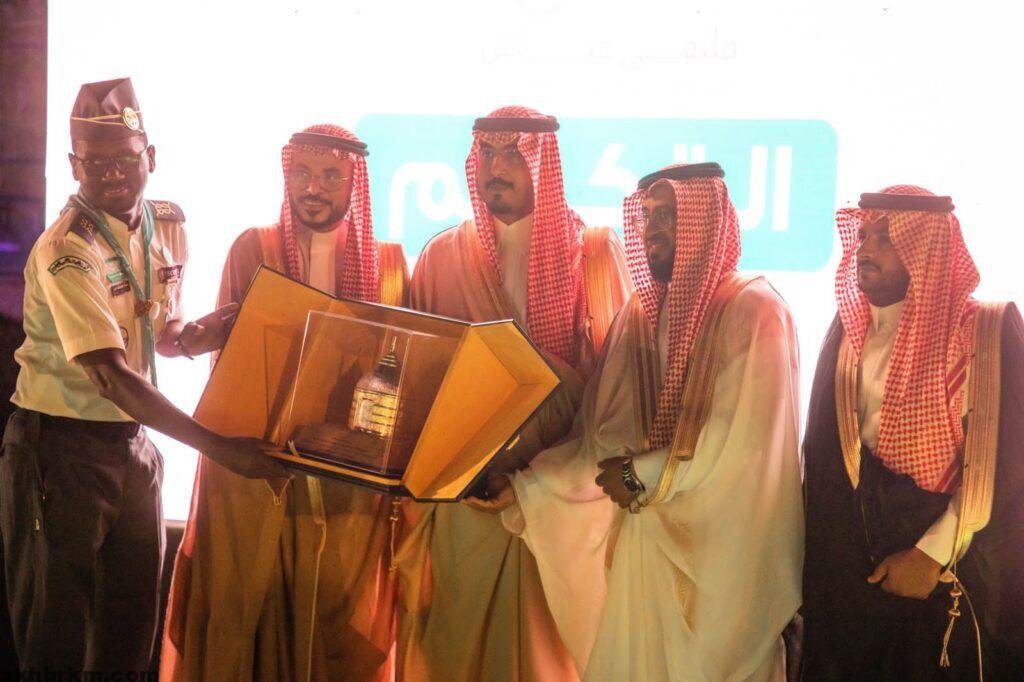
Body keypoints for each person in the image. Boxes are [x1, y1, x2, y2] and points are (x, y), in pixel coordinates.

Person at [0, 77, 281, 675]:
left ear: (150, 156)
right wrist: (220, 448)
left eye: (126, 159)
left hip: (133, 446)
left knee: (130, 635)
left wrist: (201, 334)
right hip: (61, 451)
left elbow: (160, 332)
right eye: (95, 162)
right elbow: (111, 377)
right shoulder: (67, 249)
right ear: (74, 165)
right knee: (57, 641)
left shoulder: (166, 223)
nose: (112, 173)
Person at [501, 163, 804, 679]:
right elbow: (600, 435)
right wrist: (525, 489)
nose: (652, 229)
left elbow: (744, 441)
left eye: (670, 214)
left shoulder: (755, 310)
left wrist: (640, 473)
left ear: (707, 220)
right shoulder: (639, 316)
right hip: (643, 553)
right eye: (647, 216)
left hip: (720, 560)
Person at [161, 125, 409, 681]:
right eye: (302, 173)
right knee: (244, 607)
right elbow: (232, 363)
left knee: (335, 618)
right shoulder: (255, 247)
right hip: (255, 463)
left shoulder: (390, 264)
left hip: (344, 477)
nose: (312, 188)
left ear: (355, 184)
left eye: (330, 176)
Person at [395, 106, 632, 680]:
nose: (495, 168)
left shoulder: (594, 254)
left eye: (513, 155)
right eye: (486, 153)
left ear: (543, 164)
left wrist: (540, 480)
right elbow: (417, 386)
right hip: (464, 500)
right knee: (457, 653)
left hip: (555, 504)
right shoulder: (442, 257)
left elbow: (617, 393)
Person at [801, 185, 1024, 680]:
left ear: (925, 246)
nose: (866, 248)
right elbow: (825, 459)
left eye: (886, 236)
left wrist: (930, 554)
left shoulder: (985, 333)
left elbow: (1007, 466)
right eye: (864, 234)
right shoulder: (847, 332)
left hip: (945, 577)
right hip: (857, 578)